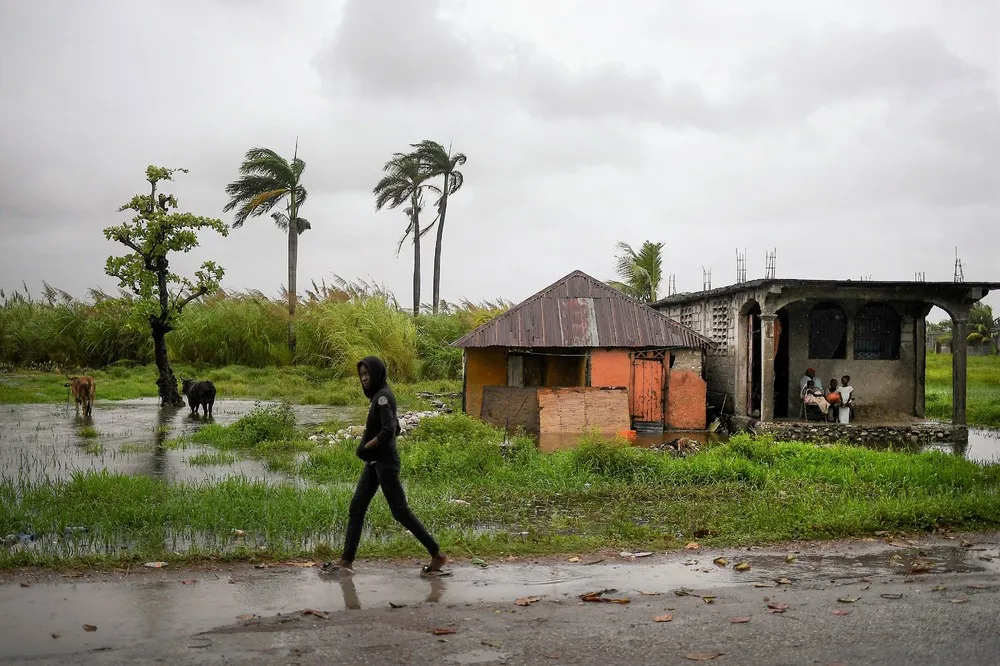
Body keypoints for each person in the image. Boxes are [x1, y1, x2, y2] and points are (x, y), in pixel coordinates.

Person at [322, 356, 447, 574]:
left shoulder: (382, 398)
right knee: (356, 509)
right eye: (361, 375)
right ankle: (346, 561)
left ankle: (437, 554)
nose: (364, 378)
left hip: (385, 464)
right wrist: (369, 450)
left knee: (400, 512)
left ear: (378, 373)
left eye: (368, 374)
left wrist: (367, 446)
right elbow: (397, 427)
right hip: (374, 464)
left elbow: (390, 429)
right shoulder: (380, 397)